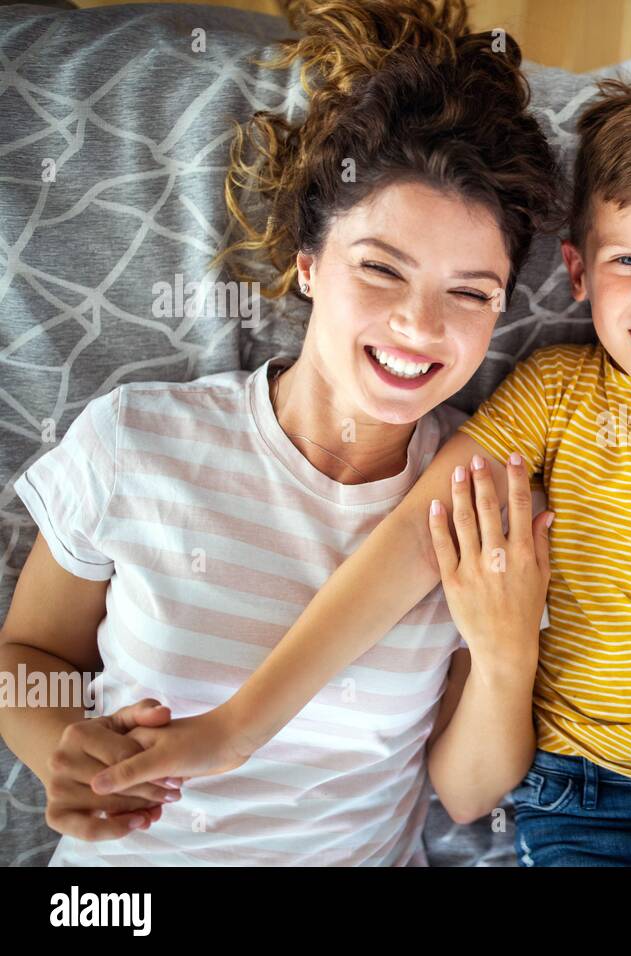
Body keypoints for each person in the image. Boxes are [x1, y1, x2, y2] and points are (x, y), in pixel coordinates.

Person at [92, 79, 631, 867]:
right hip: (581, 806)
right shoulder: (551, 394)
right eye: (630, 261)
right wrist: (238, 729)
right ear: (578, 273)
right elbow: (411, 542)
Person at [0, 0, 559, 864]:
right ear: (307, 265)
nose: (419, 326)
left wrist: (505, 647)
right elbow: (28, 653)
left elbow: (466, 790)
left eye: (471, 292)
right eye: (380, 268)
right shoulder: (135, 441)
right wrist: (63, 756)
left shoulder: (480, 502)